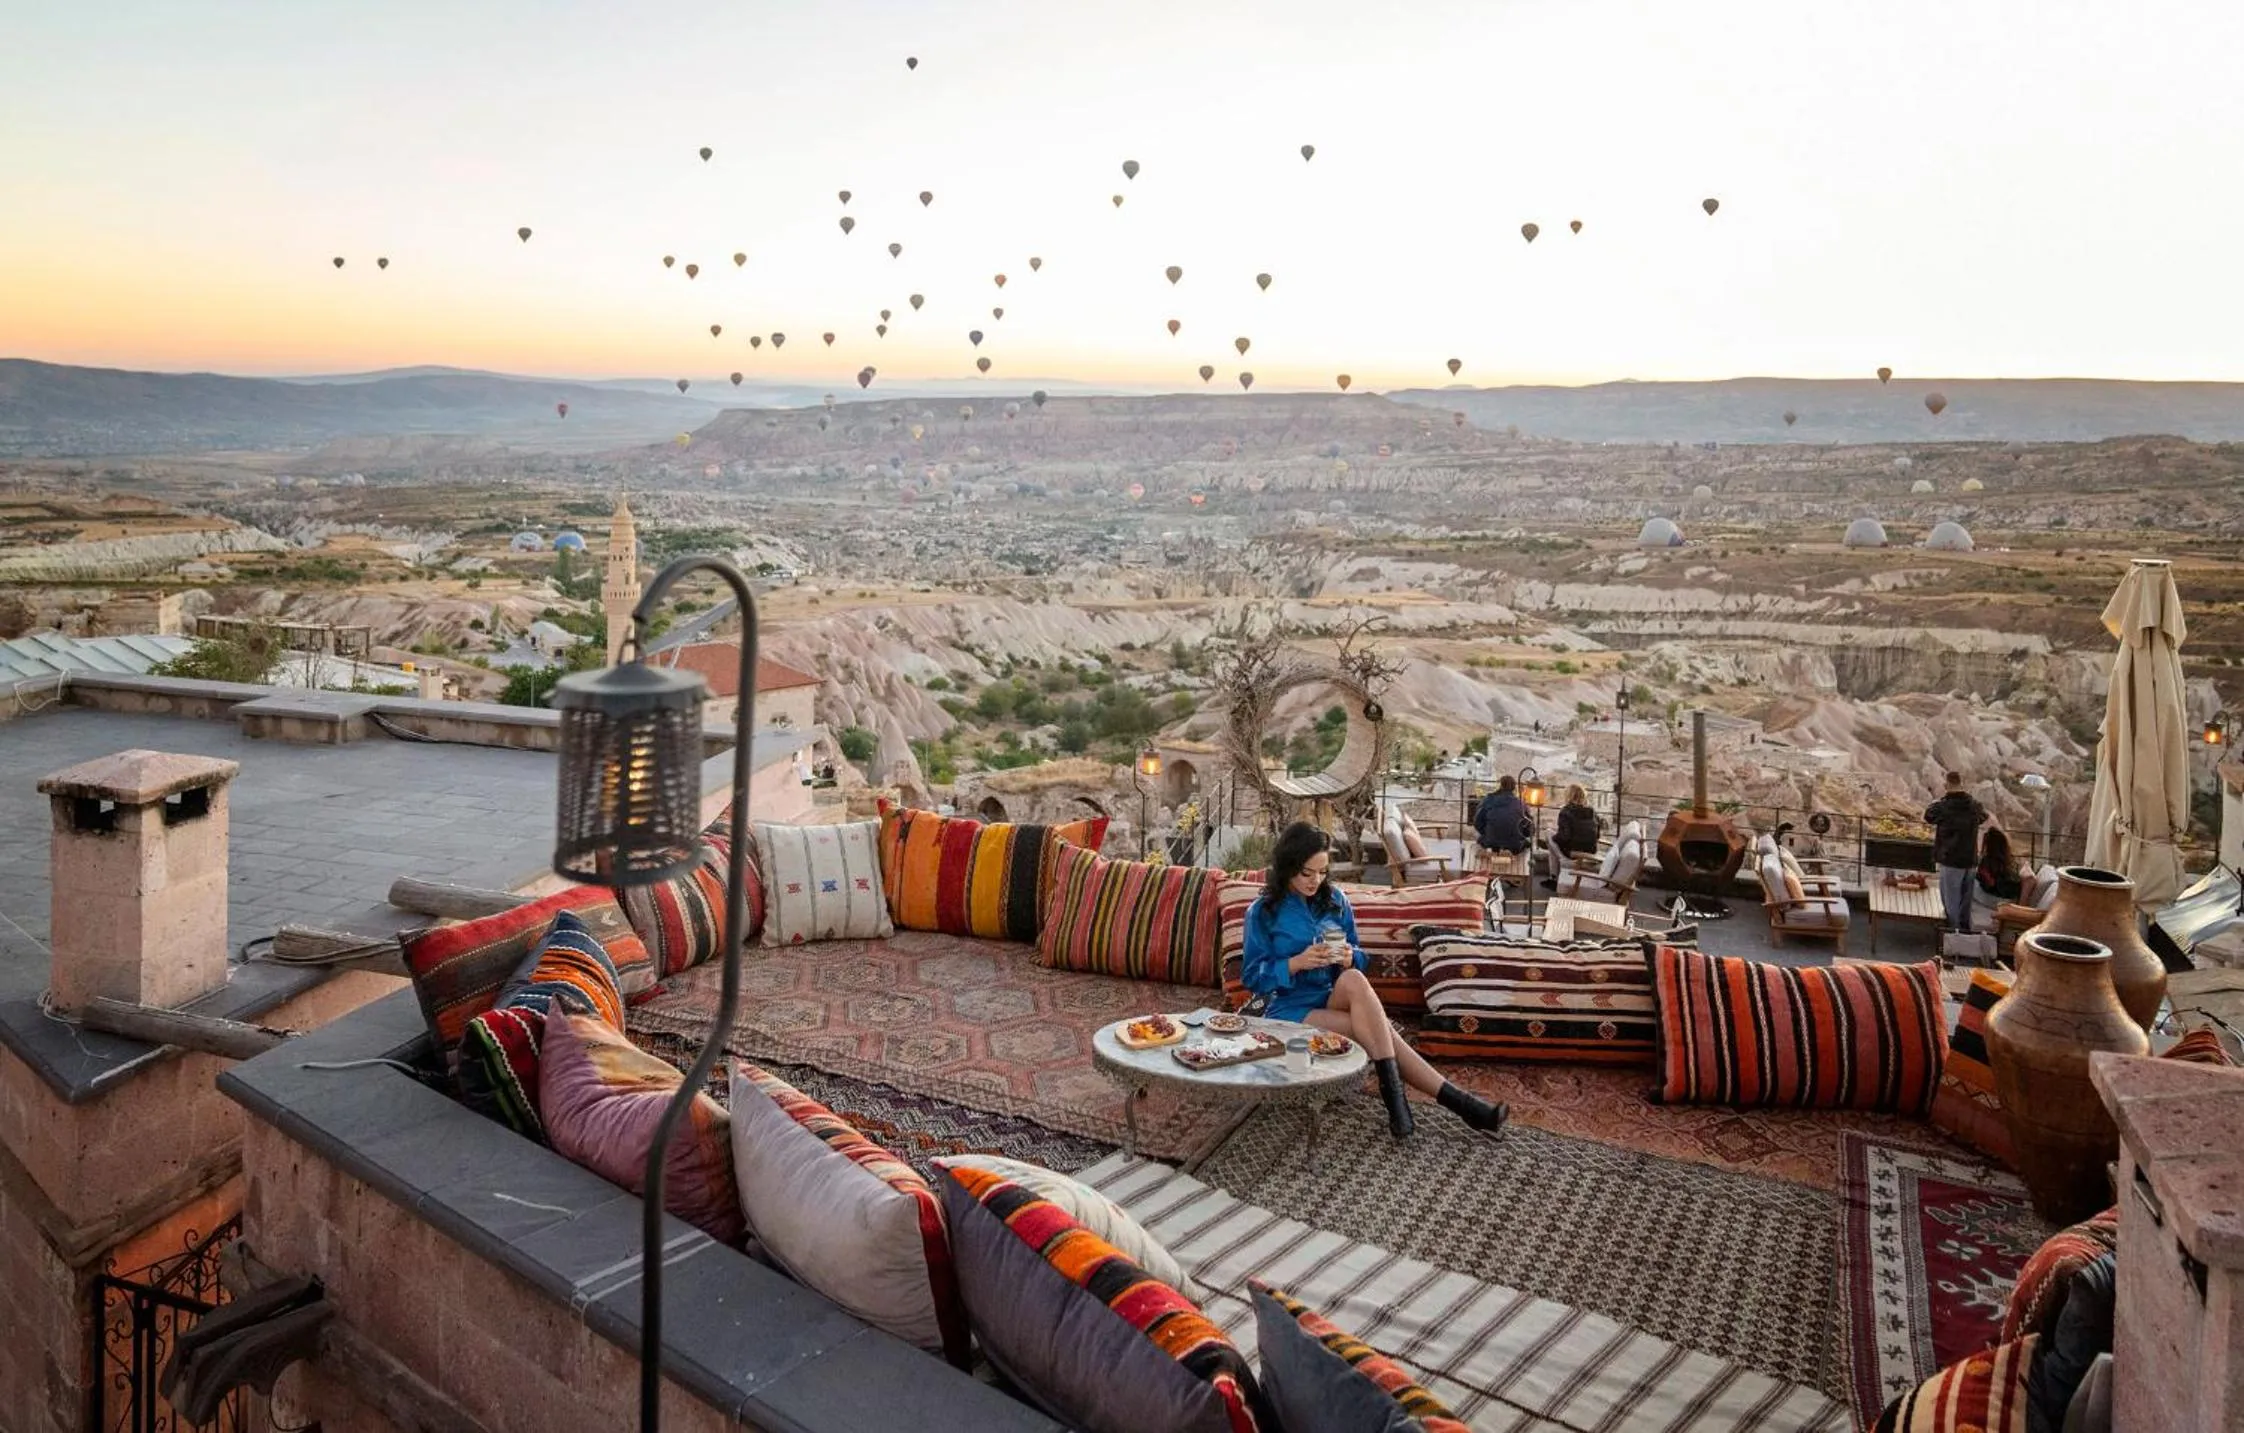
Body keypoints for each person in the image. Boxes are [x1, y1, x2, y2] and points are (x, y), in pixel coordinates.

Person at [1240, 823, 1508, 1141]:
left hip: (1331, 995)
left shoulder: (1335, 900)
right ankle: (1449, 1105)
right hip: (1289, 1007)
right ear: (1288, 866)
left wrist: (1349, 957)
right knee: (1379, 1031)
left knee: (1354, 978)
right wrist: (1295, 963)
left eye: (1323, 872)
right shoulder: (1263, 912)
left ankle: (1414, 1102)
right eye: (1307, 873)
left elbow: (1361, 957)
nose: (1315, 881)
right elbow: (1252, 977)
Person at [1924, 772, 1989, 934]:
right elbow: (1984, 817)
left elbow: (1928, 816)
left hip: (1950, 858)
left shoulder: (1943, 806)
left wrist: (1939, 799)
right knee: (1965, 899)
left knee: (1950, 899)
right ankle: (1964, 932)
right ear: (1961, 783)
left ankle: (1953, 933)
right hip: (1970, 858)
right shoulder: (1974, 805)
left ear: (1947, 784)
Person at [1546, 783, 1601, 886]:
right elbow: (1597, 836)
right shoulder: (1592, 812)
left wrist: (1554, 837)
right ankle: (1553, 877)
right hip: (1590, 851)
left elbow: (1564, 837)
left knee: (1549, 834)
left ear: (1569, 796)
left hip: (1573, 853)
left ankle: (1554, 876)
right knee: (1553, 840)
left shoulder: (1566, 812)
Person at [1473, 776, 1531, 860]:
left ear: (1500, 785)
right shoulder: (1521, 804)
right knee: (1527, 843)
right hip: (1515, 846)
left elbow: (1477, 823)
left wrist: (1488, 832)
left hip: (1490, 843)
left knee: (1480, 838)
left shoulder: (1488, 800)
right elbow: (1528, 829)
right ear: (1514, 788)